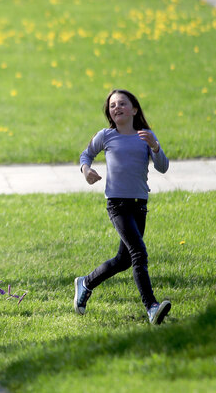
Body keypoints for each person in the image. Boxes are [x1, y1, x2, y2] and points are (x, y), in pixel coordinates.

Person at [74, 89, 171, 325]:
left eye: (122, 104)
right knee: (139, 253)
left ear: (134, 109)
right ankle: (152, 307)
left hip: (139, 205)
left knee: (124, 259)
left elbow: (163, 167)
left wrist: (156, 147)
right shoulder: (106, 136)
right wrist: (86, 171)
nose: (117, 107)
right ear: (109, 112)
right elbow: (85, 155)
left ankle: (85, 283)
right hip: (117, 204)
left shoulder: (145, 135)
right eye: (112, 105)